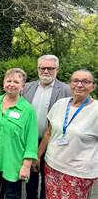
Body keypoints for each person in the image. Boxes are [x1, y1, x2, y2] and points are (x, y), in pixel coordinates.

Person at [39, 69, 97, 199]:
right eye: (76, 81)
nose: (80, 85)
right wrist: (38, 157)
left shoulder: (96, 110)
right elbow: (48, 133)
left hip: (78, 172)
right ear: (70, 84)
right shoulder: (60, 104)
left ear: (93, 87)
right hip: (52, 165)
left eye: (85, 82)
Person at [0, 68, 38, 199]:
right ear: (3, 84)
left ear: (22, 86)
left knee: (12, 195)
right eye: (8, 80)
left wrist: (26, 165)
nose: (11, 84)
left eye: (16, 81)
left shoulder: (28, 110)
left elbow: (32, 140)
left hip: (13, 162)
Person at [22, 54, 70, 199]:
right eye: (42, 68)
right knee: (30, 176)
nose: (46, 71)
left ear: (57, 69)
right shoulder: (27, 88)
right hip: (29, 141)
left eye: (50, 68)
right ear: (38, 69)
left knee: (48, 179)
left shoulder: (66, 90)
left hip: (52, 142)